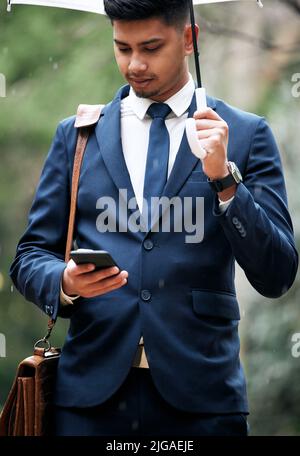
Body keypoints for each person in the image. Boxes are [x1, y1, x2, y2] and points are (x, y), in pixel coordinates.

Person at [9, 0, 298, 436]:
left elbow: (276, 273)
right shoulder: (77, 136)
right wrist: (65, 282)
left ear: (188, 39)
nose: (134, 64)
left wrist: (224, 178)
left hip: (203, 399)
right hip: (89, 401)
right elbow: (29, 257)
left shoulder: (244, 134)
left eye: (150, 47)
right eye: (122, 48)